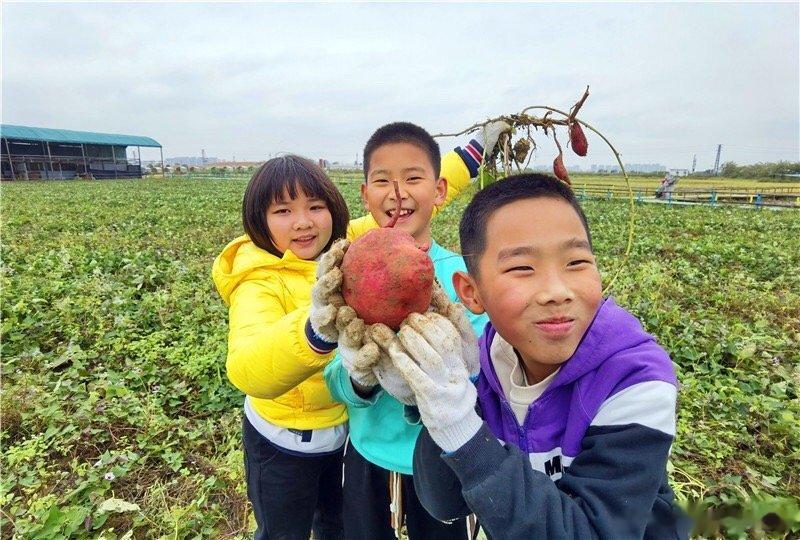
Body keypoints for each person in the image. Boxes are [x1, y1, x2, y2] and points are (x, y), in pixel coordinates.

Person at [211, 124, 506, 539]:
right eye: (282, 212)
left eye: (315, 207)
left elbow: (412, 198)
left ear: (336, 210)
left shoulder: (370, 248)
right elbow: (249, 370)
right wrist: (321, 336)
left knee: (334, 527)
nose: (302, 223)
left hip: (357, 441)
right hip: (290, 440)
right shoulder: (276, 279)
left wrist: (476, 150)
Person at [376, 173, 690, 539]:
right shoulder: (484, 366)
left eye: (576, 263)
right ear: (471, 292)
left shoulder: (633, 380)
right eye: (522, 268)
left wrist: (461, 428)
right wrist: (438, 403)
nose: (557, 292)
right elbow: (445, 502)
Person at [321, 121, 507, 540]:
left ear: (439, 190)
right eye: (383, 180)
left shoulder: (463, 278)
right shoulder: (347, 273)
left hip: (449, 457)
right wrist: (359, 374)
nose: (398, 193)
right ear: (365, 194)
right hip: (370, 454)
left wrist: (459, 372)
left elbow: (490, 376)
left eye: (413, 178)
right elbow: (334, 379)